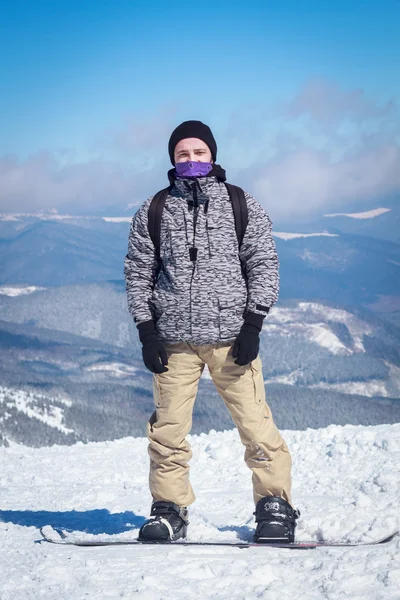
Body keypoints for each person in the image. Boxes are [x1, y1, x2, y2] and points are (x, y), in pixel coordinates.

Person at [124, 120, 299, 543]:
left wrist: (253, 324)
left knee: (256, 427)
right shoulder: (155, 209)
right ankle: (169, 509)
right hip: (173, 342)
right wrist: (147, 331)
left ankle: (274, 506)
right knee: (167, 432)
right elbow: (137, 273)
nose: (192, 160)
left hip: (231, 340)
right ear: (172, 159)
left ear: (213, 156)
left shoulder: (241, 203)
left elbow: (263, 263)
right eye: (183, 154)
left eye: (199, 153)